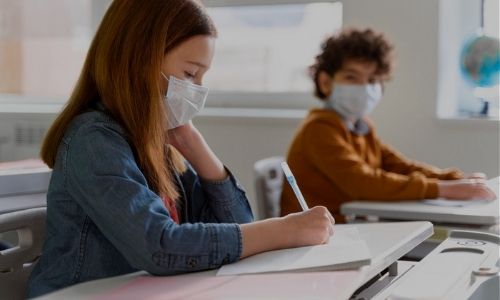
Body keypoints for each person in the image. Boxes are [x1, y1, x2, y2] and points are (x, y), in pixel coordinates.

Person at [27, 1, 335, 297]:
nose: (197, 90)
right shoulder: (93, 140)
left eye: (202, 77)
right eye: (190, 73)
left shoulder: (159, 145)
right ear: (140, 59)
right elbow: (160, 246)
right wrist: (284, 231)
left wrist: (194, 146)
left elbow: (238, 226)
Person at [280, 28, 496, 223]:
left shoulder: (361, 127)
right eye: (351, 77)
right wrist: (443, 190)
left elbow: (399, 166)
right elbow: (364, 182)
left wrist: (454, 178)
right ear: (325, 82)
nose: (364, 88)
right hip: (322, 237)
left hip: (351, 227)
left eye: (372, 80)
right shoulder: (319, 129)